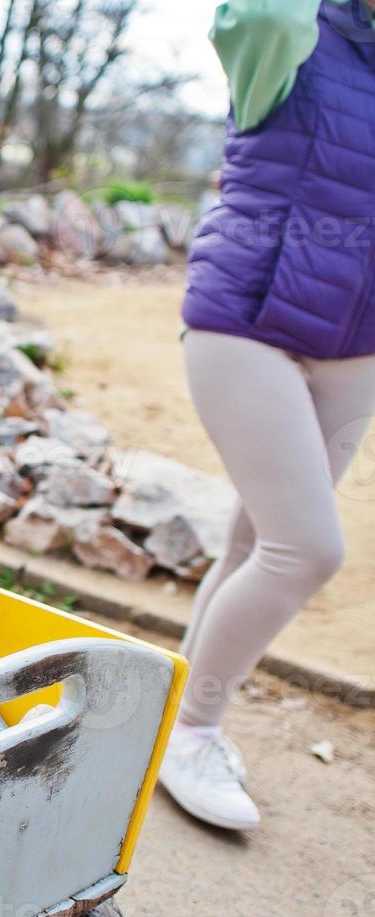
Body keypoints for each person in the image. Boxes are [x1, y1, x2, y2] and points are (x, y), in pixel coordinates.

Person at [159, 0, 375, 830]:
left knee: (253, 543)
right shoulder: (287, 32)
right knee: (306, 548)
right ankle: (194, 732)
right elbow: (250, 10)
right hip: (244, 321)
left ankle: (176, 713)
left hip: (355, 346)